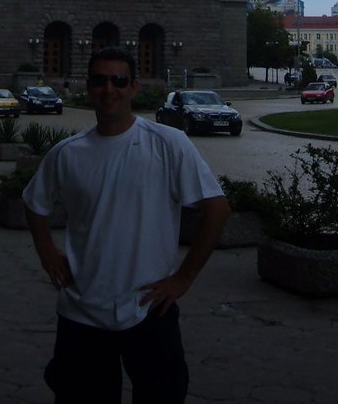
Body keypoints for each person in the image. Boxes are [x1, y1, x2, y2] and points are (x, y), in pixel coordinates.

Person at [23, 46, 230, 404]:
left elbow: (218, 209)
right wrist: (47, 254)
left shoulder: (169, 144)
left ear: (134, 87)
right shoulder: (68, 153)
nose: (109, 89)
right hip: (82, 312)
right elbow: (33, 203)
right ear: (89, 87)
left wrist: (183, 279)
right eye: (100, 80)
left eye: (119, 81)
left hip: (150, 310)